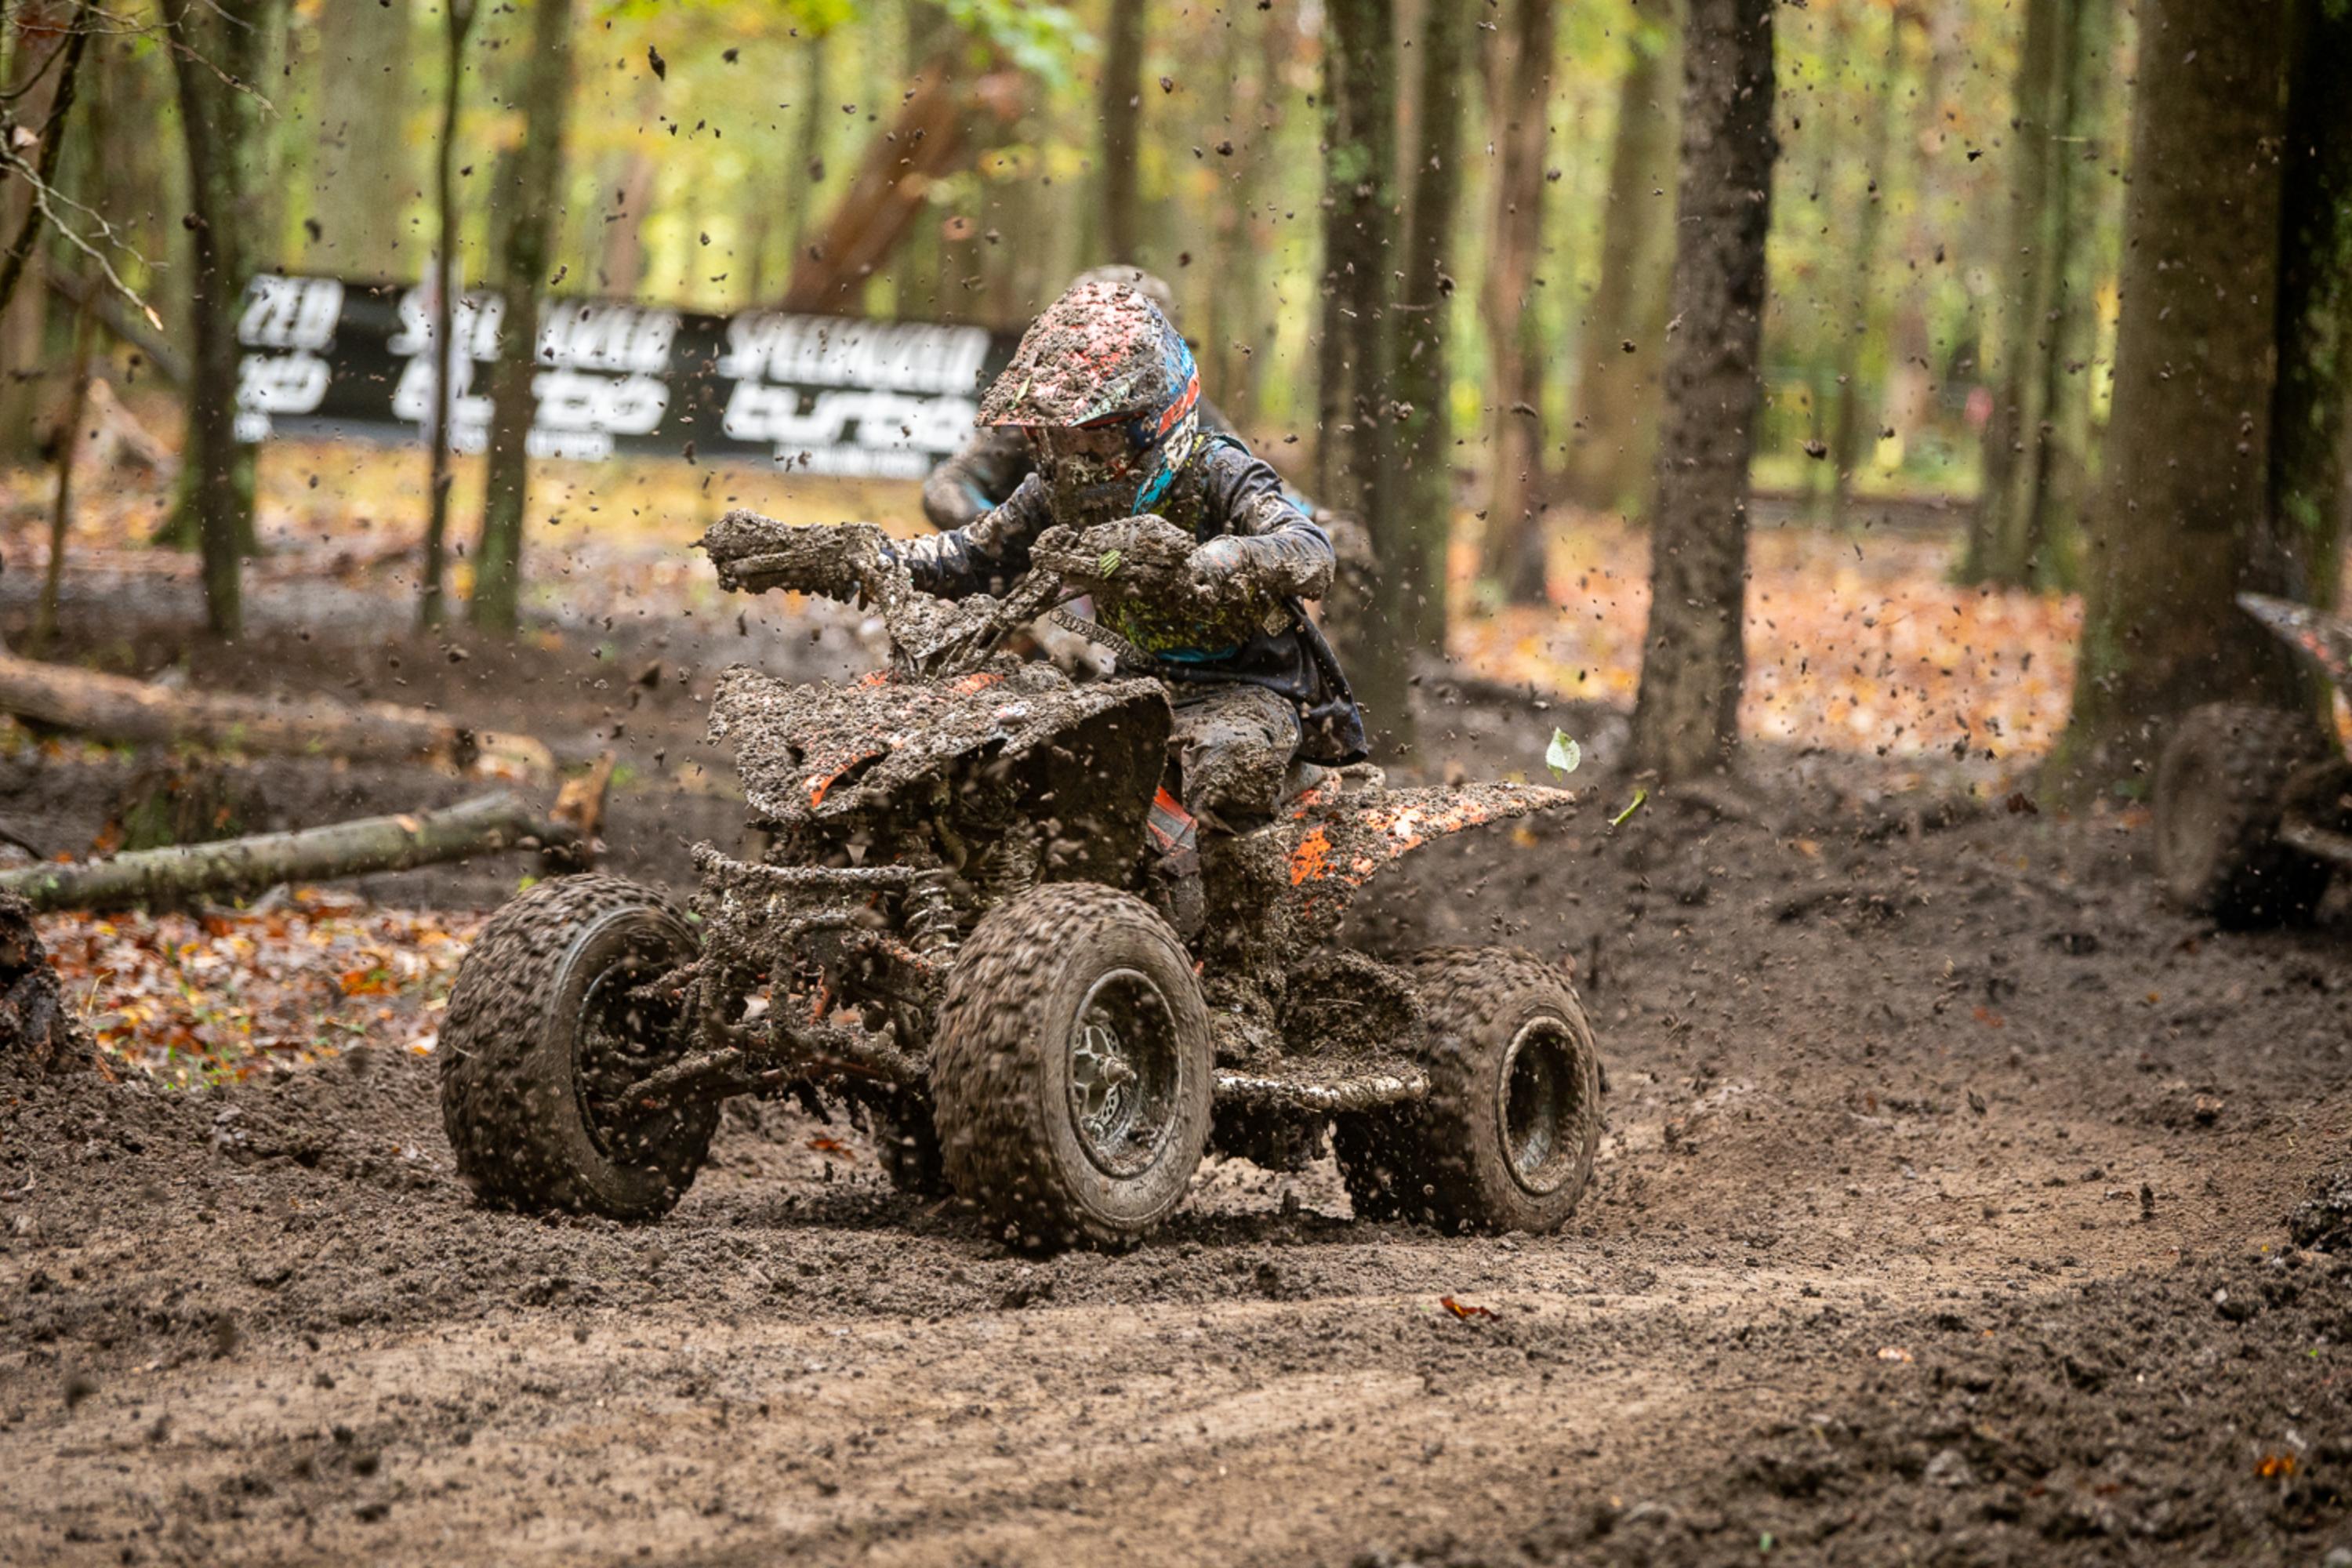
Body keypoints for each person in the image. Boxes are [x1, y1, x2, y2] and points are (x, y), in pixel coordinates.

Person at [895, 278, 1365, 841]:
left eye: (1099, 441)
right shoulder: (1051, 482)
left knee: (1229, 778)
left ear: (1152, 420)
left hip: (1247, 687)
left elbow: (1306, 543)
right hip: (1134, 680)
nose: (1078, 460)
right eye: (1060, 441)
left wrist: (1224, 559)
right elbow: (968, 551)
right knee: (1019, 753)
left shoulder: (1214, 466)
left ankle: (1246, 887)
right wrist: (866, 557)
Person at [920, 266, 1239, 533]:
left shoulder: (1192, 417)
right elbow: (948, 485)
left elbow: (1258, 504)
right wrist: (1005, 534)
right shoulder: (1040, 410)